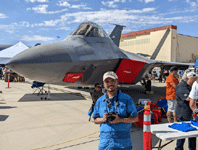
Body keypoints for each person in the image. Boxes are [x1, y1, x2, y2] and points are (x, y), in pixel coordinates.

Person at [92, 71, 138, 150]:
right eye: (107, 82)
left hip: (122, 145)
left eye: (112, 81)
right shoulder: (99, 101)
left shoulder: (127, 99)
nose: (110, 84)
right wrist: (103, 119)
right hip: (105, 145)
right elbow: (95, 119)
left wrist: (120, 119)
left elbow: (135, 118)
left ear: (117, 82)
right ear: (103, 84)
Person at [175, 72, 197, 150]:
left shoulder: (192, 85)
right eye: (193, 81)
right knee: (182, 137)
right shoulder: (181, 86)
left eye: (195, 81)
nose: (194, 82)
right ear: (187, 79)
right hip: (183, 115)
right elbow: (189, 98)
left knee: (193, 136)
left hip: (191, 114)